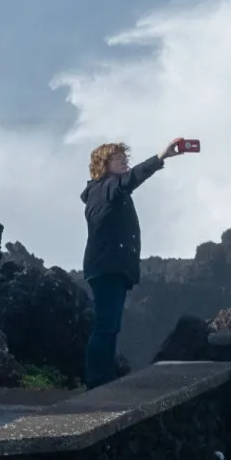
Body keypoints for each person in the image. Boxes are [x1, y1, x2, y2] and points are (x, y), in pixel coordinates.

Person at [81, 137, 191, 388]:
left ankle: (100, 380)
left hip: (109, 267)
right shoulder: (106, 188)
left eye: (125, 159)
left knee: (109, 326)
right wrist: (160, 157)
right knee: (106, 326)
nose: (125, 163)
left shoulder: (102, 190)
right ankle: (97, 382)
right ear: (104, 164)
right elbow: (131, 180)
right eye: (119, 159)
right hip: (107, 267)